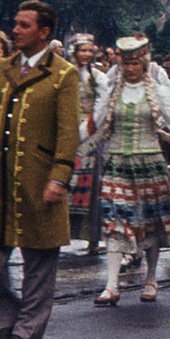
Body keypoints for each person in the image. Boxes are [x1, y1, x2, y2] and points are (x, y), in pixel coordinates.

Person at [0, 1, 80, 339]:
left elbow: (68, 132)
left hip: (39, 179)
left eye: (24, 25)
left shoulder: (63, 74)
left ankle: (26, 331)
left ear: (44, 32)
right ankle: (4, 318)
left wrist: (59, 177)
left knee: (40, 259)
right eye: (15, 23)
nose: (15, 30)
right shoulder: (1, 69)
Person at [88, 36, 170, 306]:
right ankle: (112, 284)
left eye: (134, 63)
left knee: (151, 223)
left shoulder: (156, 90)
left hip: (149, 165)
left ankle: (152, 277)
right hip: (117, 164)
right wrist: (66, 150)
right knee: (115, 222)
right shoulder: (111, 90)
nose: (129, 68)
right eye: (125, 63)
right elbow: (94, 122)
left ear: (143, 63)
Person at [65, 33, 109, 255]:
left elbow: (102, 106)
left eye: (89, 51)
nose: (86, 55)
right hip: (67, 128)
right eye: (82, 50)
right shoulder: (65, 73)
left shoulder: (99, 77)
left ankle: (93, 238)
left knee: (92, 185)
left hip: (90, 133)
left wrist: (86, 130)